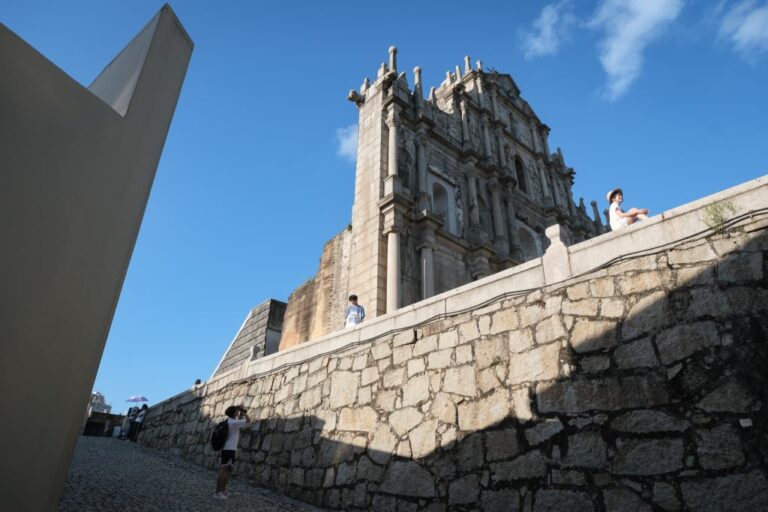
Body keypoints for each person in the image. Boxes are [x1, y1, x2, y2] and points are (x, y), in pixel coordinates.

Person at [214, 406, 251, 500]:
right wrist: (244, 412)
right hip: (229, 450)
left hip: (228, 449)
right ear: (234, 413)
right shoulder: (234, 422)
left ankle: (222, 491)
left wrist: (241, 413)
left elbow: (241, 421)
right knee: (223, 471)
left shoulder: (230, 421)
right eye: (237, 411)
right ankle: (218, 492)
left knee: (228, 471)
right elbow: (248, 420)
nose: (238, 413)